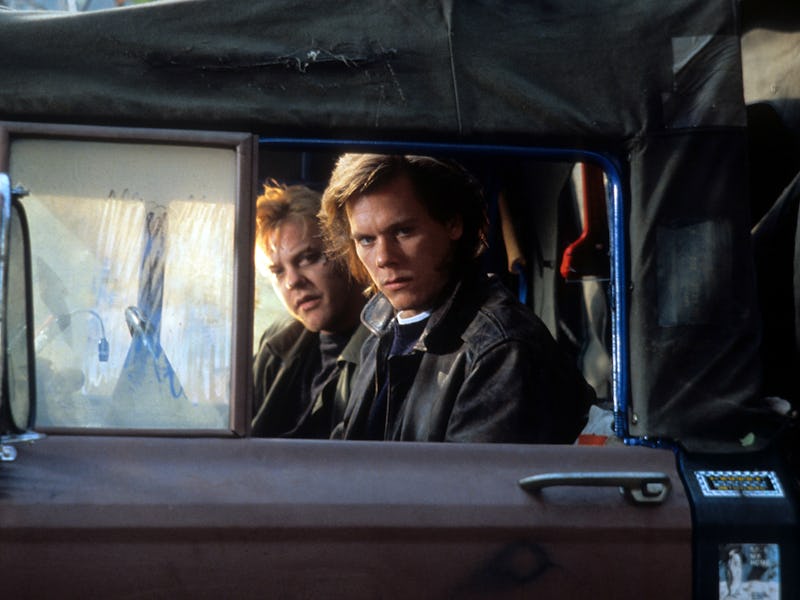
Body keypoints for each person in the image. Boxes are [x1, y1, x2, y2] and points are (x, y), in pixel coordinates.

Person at [319, 154, 594, 442]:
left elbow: (464, 483)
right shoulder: (380, 327)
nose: (384, 258)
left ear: (453, 224)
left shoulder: (499, 349)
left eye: (403, 231)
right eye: (366, 240)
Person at [252, 181, 368, 438]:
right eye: (278, 271)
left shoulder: (386, 350)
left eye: (307, 258)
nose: (293, 281)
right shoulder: (276, 344)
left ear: (346, 252)